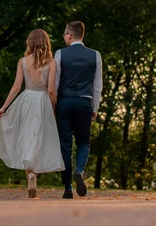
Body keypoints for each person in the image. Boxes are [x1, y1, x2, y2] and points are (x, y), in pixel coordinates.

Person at [0, 29, 65, 198]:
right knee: (39, 139)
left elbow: (16, 87)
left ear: (29, 42)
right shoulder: (52, 63)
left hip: (26, 100)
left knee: (26, 137)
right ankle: (35, 173)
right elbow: (51, 90)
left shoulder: (23, 61)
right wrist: (54, 108)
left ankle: (29, 174)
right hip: (43, 101)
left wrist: (4, 108)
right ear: (46, 43)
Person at [54, 21, 102, 199]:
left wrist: (54, 105)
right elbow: (97, 86)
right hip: (84, 102)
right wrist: (95, 108)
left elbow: (56, 83)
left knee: (65, 145)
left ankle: (67, 188)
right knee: (83, 142)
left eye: (64, 34)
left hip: (64, 102)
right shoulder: (95, 56)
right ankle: (79, 170)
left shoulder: (60, 54)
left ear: (69, 35)